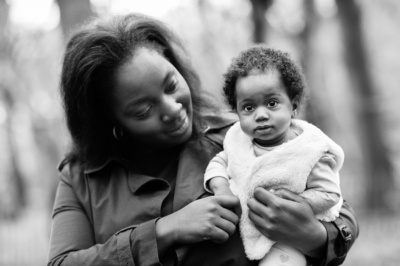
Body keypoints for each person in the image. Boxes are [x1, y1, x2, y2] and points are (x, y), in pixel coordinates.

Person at [47, 13, 358, 266]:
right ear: (110, 121)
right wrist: (164, 231)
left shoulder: (238, 135)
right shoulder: (80, 178)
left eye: (171, 85)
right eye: (143, 109)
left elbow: (340, 212)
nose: (172, 109)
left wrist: (314, 236)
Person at [204, 45, 345, 266]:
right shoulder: (237, 142)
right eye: (248, 108)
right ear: (237, 112)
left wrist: (294, 204)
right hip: (243, 233)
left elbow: (329, 193)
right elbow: (219, 162)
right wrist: (220, 186)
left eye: (272, 103)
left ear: (294, 106)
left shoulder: (309, 151)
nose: (261, 115)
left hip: (288, 239)